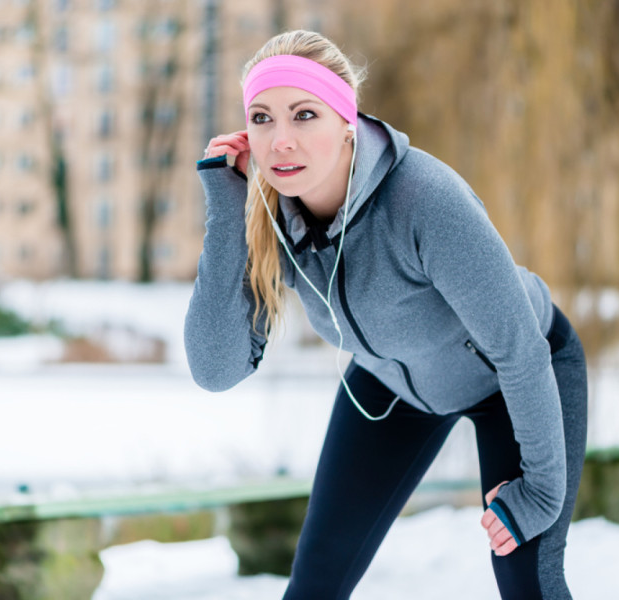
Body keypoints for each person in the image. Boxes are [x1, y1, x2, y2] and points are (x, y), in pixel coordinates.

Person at [184, 29, 587, 600]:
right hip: (391, 387)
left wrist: (541, 493)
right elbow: (215, 367)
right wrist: (228, 209)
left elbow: (519, 349)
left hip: (517, 375)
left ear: (346, 120)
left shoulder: (423, 199)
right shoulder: (272, 217)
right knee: (315, 583)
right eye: (262, 118)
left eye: (304, 115)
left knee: (526, 580)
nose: (280, 142)